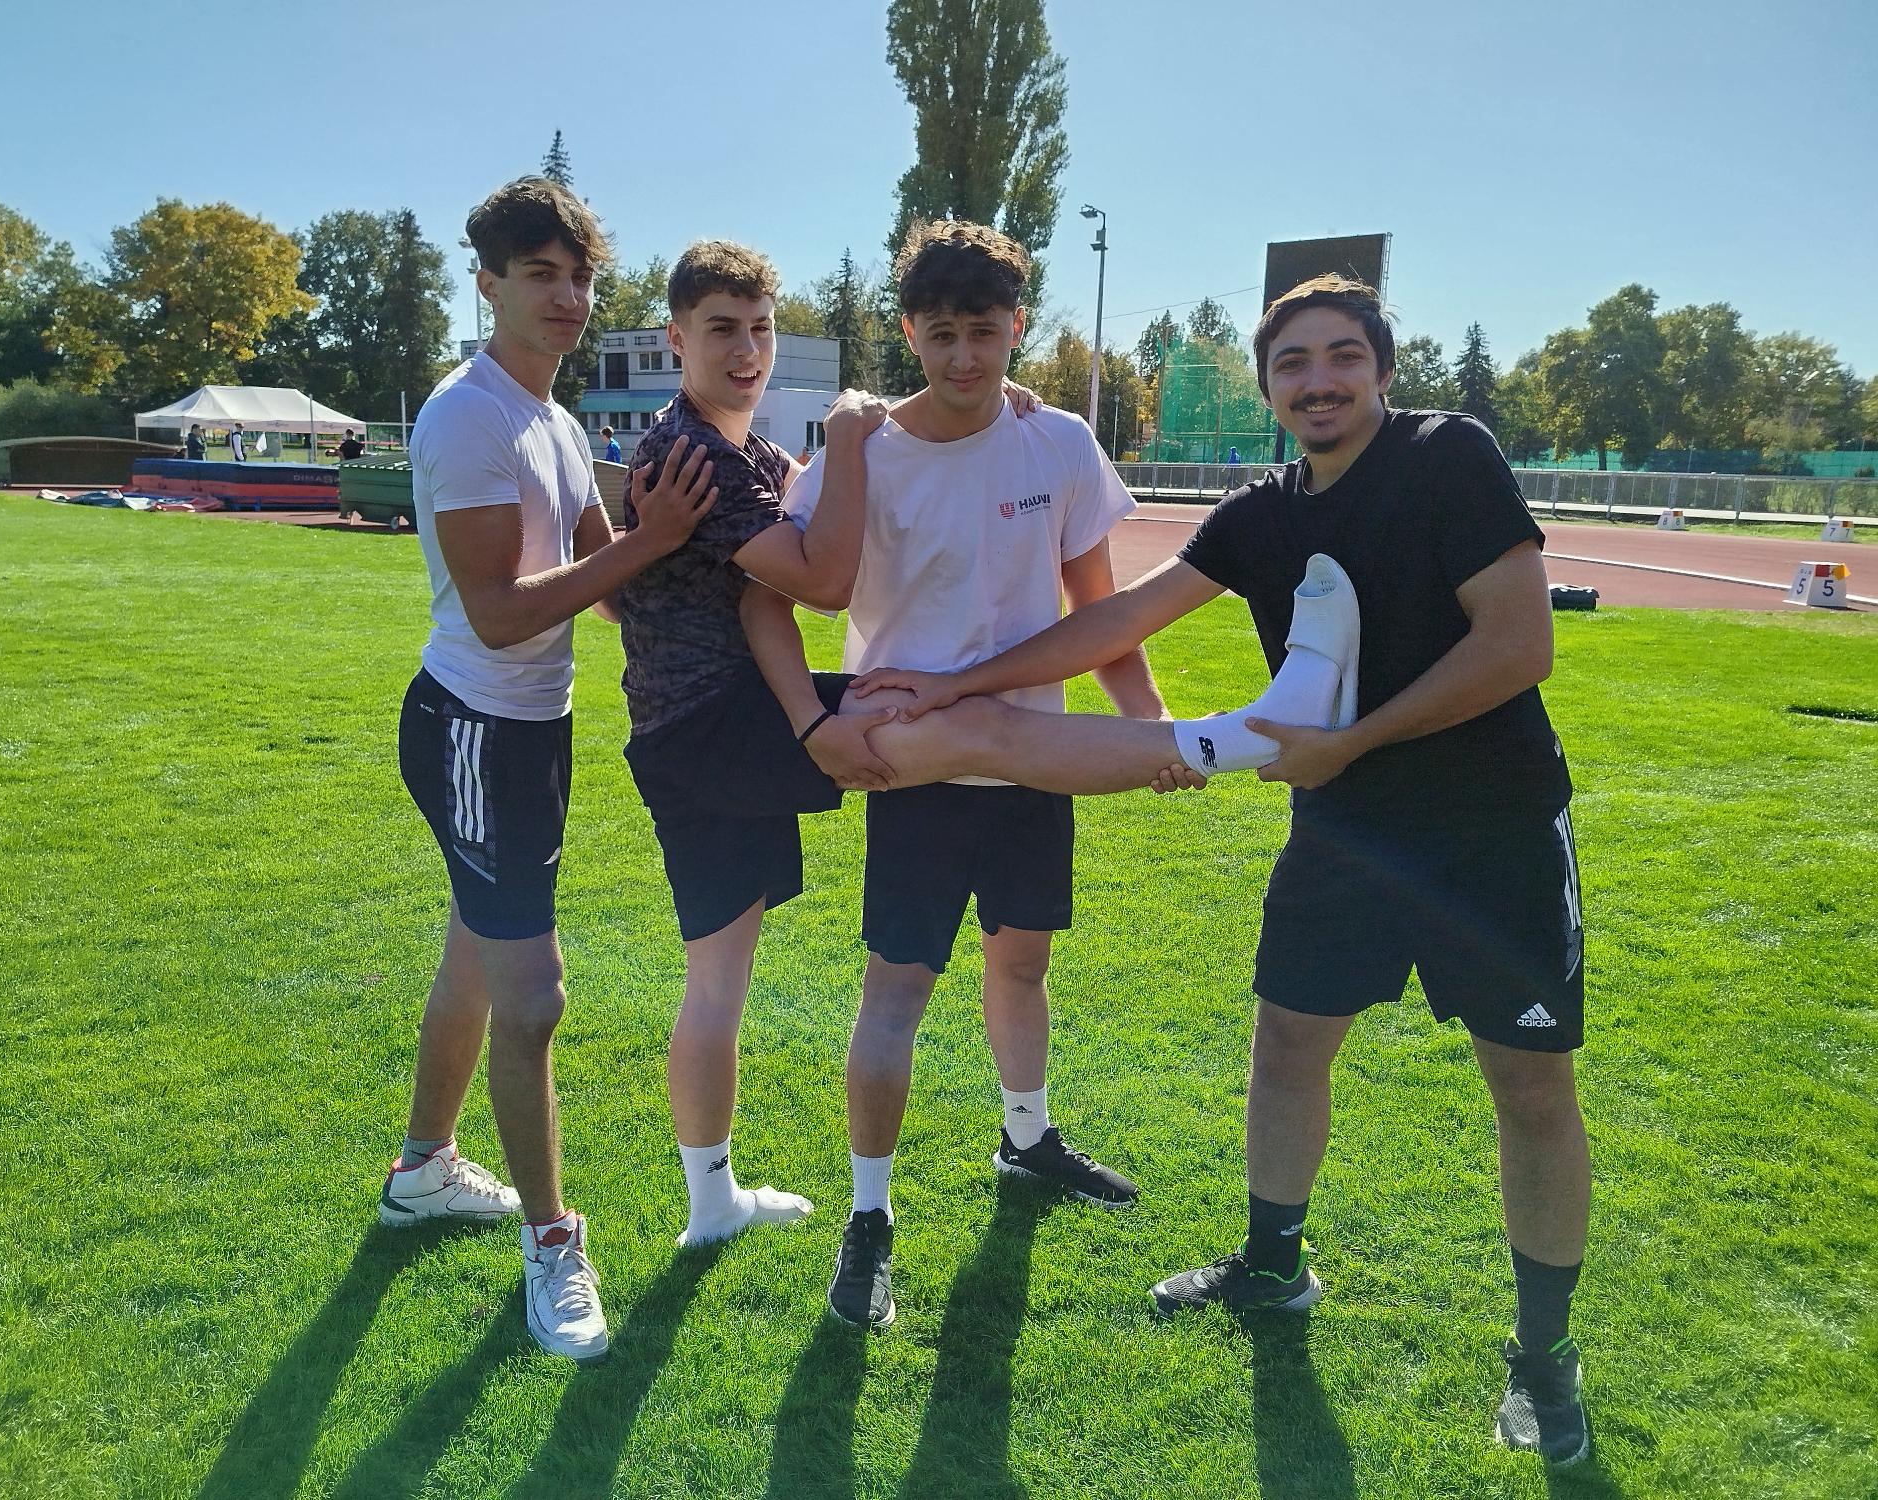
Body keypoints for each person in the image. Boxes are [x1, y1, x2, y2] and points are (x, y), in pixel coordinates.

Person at [854, 275, 1593, 1464]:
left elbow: (1516, 645)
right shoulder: (1260, 514)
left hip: (1488, 830)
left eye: (1340, 356)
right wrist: (957, 686)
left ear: (1380, 369)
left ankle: (1544, 1358)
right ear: (1265, 387)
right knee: (1287, 1046)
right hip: (1342, 834)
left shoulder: (1446, 457)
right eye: (1291, 363)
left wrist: (1353, 739)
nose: (1317, 380)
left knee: (1528, 1091)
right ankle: (1270, 1267)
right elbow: (1118, 620)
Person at [751, 219, 1162, 1330]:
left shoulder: (1058, 441)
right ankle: (868, 1218)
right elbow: (769, 591)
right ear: (908, 333)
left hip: (1035, 758)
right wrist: (809, 722)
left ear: (1017, 326)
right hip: (913, 767)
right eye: (941, 335)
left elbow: (1101, 612)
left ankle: (1026, 1139)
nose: (964, 358)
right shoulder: (861, 450)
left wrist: (1149, 729)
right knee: (896, 991)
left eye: (984, 333)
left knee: (1021, 966)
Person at [384, 175, 718, 1361]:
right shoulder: (466, 417)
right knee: (534, 997)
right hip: (475, 728)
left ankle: (422, 1170)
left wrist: (707, 534)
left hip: (532, 732)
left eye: (578, 276)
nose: (567, 297)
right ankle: (550, 1243)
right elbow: (501, 611)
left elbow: (610, 582)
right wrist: (651, 540)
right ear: (488, 283)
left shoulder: (559, 424)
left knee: (475, 958)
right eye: (540, 275)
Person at [614, 239, 889, 1251]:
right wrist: (849, 432)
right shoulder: (694, 455)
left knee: (720, 978)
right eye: (722, 330)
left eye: (761, 330)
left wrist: (987, 406)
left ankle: (712, 1203)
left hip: (709, 724)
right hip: (710, 732)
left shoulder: (749, 458)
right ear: (675, 339)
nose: (746, 351)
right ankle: (1162, 753)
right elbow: (823, 581)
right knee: (921, 721)